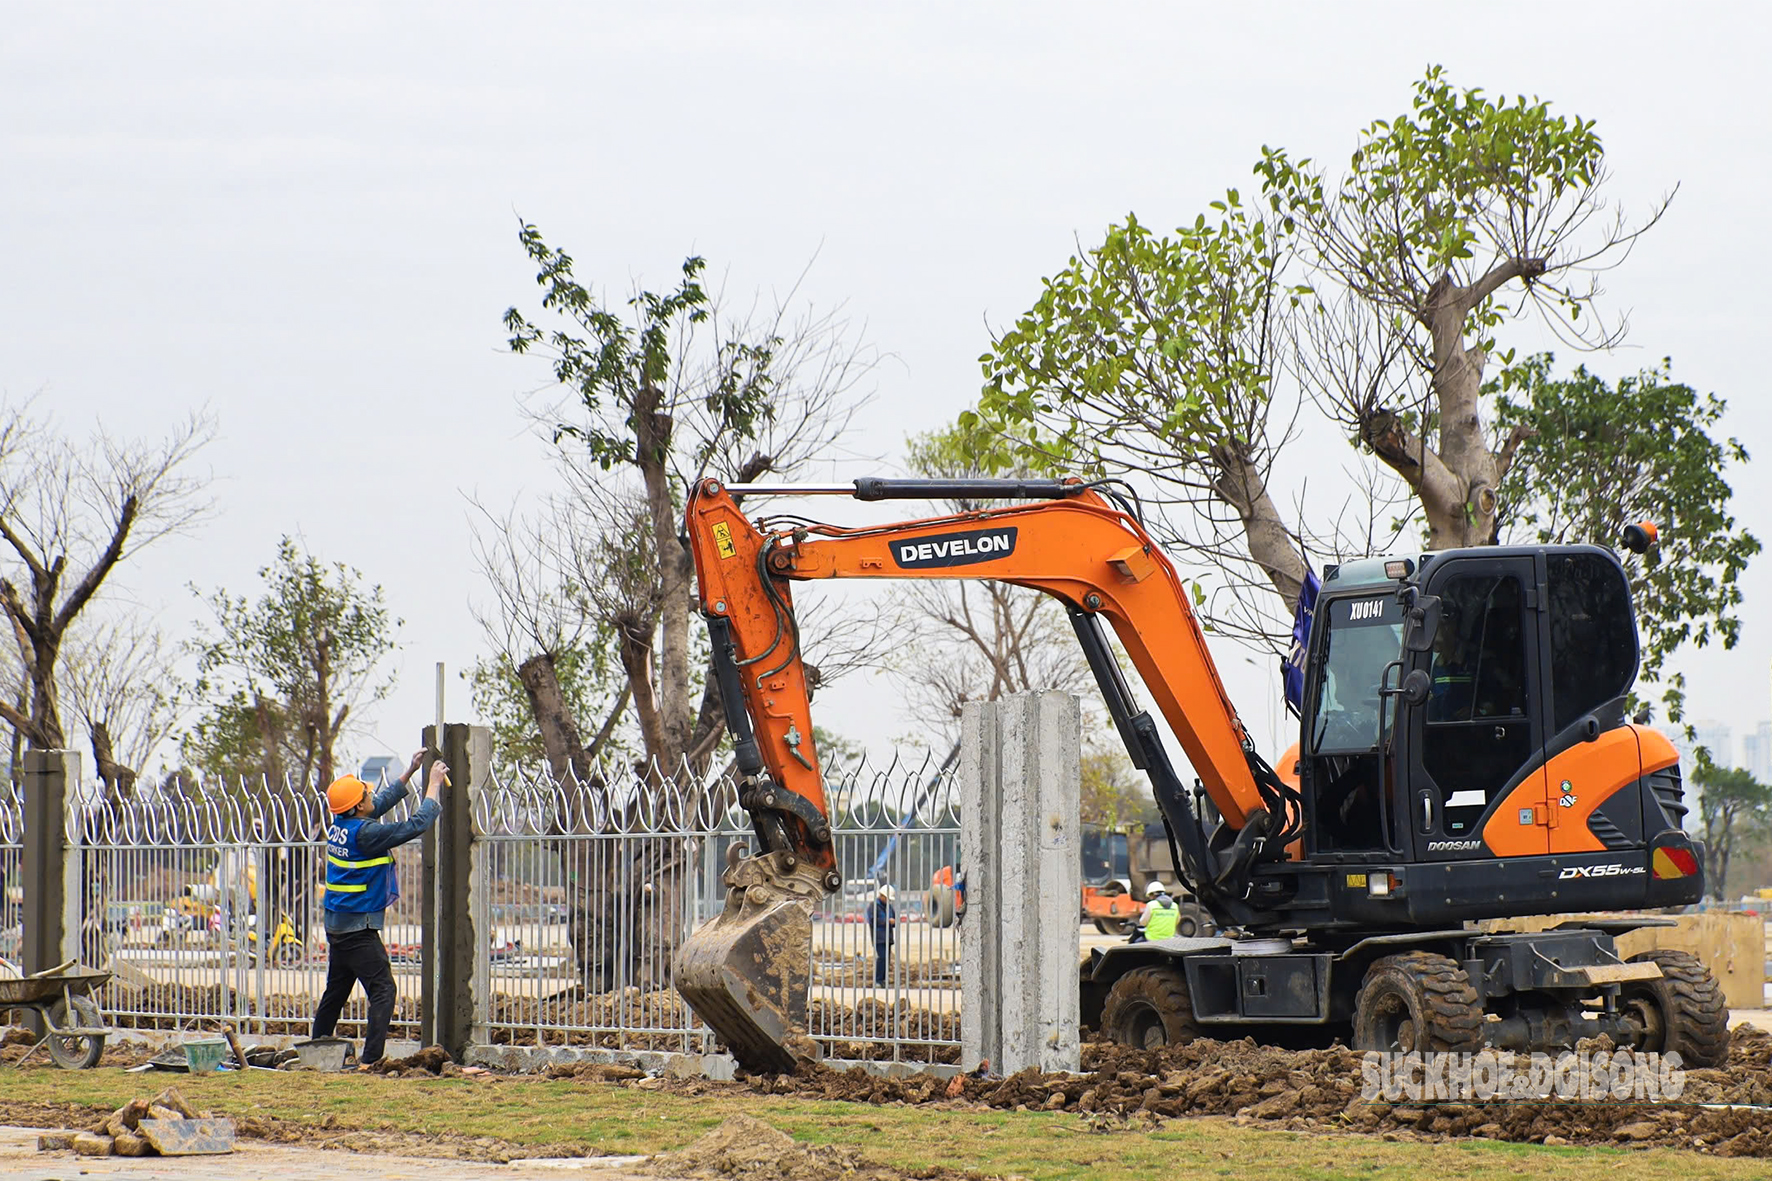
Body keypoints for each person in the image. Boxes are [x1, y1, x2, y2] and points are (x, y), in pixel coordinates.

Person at [311, 750, 446, 1066]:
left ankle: (315, 1052)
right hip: (358, 929)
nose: (371, 795)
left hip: (338, 925)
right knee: (384, 990)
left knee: (336, 991)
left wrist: (409, 772)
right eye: (366, 794)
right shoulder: (367, 834)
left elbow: (377, 804)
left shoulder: (341, 824)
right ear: (358, 806)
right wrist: (433, 786)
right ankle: (372, 1060)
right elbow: (416, 824)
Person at [864, 884, 897, 986]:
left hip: (888, 937)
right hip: (879, 937)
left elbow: (894, 920)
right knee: (882, 958)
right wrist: (887, 921)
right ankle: (878, 980)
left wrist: (893, 922)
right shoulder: (874, 906)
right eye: (887, 898)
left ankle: (884, 980)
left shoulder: (889, 907)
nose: (888, 900)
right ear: (881, 896)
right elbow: (873, 921)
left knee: (887, 959)